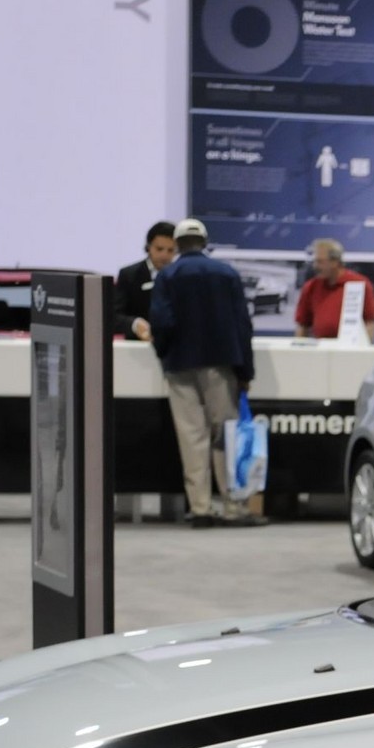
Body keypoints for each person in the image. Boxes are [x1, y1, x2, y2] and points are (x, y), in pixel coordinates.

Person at [148, 217, 258, 528]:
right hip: (221, 365)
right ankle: (234, 506)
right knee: (225, 434)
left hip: (180, 366)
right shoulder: (227, 274)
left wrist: (165, 353)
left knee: (191, 436)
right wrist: (245, 370)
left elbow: (162, 322)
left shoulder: (167, 276)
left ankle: (200, 508)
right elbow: (242, 325)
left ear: (179, 245)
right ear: (205, 242)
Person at [293, 237, 374, 340]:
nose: (315, 266)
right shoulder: (310, 287)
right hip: (320, 350)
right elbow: (302, 325)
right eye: (315, 262)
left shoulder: (360, 284)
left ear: (335, 262)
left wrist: (363, 351)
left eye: (320, 262)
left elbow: (370, 323)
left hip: (350, 350)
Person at [114, 221, 176, 340]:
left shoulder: (181, 277)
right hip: (136, 349)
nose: (164, 255)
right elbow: (113, 317)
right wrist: (135, 324)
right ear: (148, 247)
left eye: (170, 250)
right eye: (159, 249)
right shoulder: (129, 275)